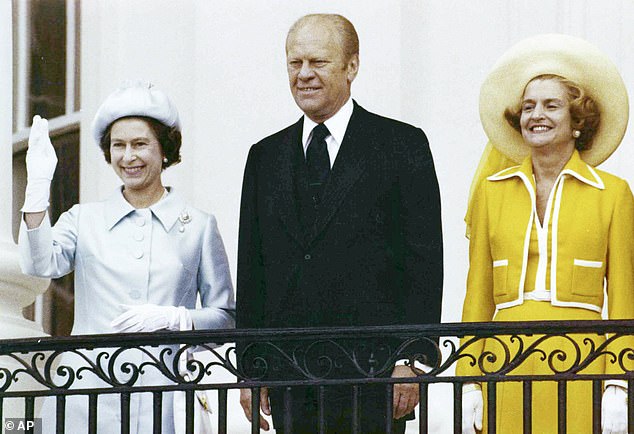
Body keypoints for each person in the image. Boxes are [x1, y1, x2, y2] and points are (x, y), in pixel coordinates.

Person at [236, 13, 443, 433]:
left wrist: (413, 357)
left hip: (374, 374)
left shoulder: (401, 144)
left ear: (352, 67)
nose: (304, 75)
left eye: (318, 62)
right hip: (290, 375)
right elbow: (252, 269)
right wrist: (251, 368)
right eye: (295, 63)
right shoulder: (265, 156)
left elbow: (423, 260)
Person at [18, 80, 235, 434]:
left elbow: (225, 319)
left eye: (140, 144)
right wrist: (36, 191)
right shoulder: (83, 219)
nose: (128, 156)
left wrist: (176, 318)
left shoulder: (198, 226)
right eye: (118, 145)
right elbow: (38, 264)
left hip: (165, 399)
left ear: (164, 150)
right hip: (87, 394)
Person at [459, 34, 634, 434]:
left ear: (578, 121)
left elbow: (625, 299)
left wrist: (618, 384)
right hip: (502, 361)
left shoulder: (614, 195)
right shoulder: (492, 191)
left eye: (551, 105)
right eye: (528, 106)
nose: (536, 114)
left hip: (582, 361)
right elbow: (478, 296)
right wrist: (467, 380)